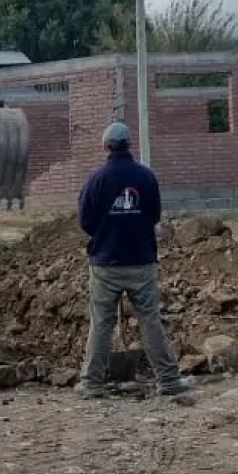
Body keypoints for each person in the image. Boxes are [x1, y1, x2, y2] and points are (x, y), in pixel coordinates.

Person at [76, 121, 192, 399]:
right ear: (130, 144)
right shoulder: (146, 177)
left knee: (101, 322)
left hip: (106, 263)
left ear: (105, 146)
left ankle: (93, 383)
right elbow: (153, 214)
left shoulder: (95, 179)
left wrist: (105, 233)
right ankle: (169, 380)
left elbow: (85, 220)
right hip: (141, 260)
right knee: (150, 320)